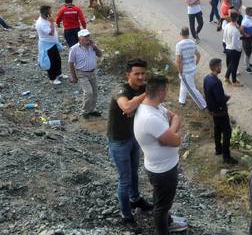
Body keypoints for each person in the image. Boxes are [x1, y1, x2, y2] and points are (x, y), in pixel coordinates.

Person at [134, 75, 188, 234]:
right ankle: (164, 228)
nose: (167, 92)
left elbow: (175, 117)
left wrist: (171, 129)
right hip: (163, 171)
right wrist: (173, 129)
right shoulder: (150, 117)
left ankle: (168, 220)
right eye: (166, 89)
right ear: (161, 91)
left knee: (161, 200)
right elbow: (176, 140)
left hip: (160, 167)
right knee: (162, 206)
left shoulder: (154, 107)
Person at [107, 59, 153, 232]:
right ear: (128, 75)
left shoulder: (142, 88)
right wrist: (144, 96)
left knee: (134, 172)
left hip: (134, 137)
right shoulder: (121, 90)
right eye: (137, 74)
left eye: (143, 73)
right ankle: (126, 215)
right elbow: (126, 107)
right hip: (118, 141)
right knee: (124, 179)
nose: (141, 77)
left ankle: (135, 199)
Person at [203, 58, 238, 164]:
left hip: (212, 110)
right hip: (220, 111)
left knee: (217, 129)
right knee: (227, 132)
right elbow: (219, 99)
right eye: (220, 66)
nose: (221, 68)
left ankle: (218, 149)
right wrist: (226, 98)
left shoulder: (206, 78)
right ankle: (226, 156)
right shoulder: (216, 82)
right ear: (215, 67)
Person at [68, 29, 102, 119]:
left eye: (88, 36)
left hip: (92, 72)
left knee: (95, 92)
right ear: (80, 38)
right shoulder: (74, 49)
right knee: (88, 92)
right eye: (85, 36)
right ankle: (85, 111)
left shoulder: (92, 46)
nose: (87, 38)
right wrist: (73, 76)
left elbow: (100, 54)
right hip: (82, 73)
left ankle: (92, 110)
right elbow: (71, 63)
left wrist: (95, 47)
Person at [175, 27, 207, 109]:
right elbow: (198, 55)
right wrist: (195, 64)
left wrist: (180, 72)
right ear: (188, 34)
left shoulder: (179, 45)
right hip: (192, 69)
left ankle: (203, 105)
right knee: (184, 84)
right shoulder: (193, 43)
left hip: (185, 71)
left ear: (181, 34)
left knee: (192, 89)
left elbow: (178, 61)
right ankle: (181, 101)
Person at [36, 5, 63, 85]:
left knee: (57, 59)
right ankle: (52, 78)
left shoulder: (46, 19)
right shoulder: (41, 23)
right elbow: (51, 33)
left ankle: (59, 74)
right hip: (47, 44)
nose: (51, 13)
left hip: (52, 43)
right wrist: (51, 22)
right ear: (46, 13)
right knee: (50, 62)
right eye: (50, 12)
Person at [223, 10, 243, 86]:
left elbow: (224, 38)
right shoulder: (235, 31)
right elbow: (235, 44)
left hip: (227, 47)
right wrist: (239, 49)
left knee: (231, 64)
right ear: (237, 18)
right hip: (234, 50)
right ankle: (234, 81)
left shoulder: (227, 26)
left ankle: (226, 77)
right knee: (234, 65)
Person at [241, 7, 252, 73]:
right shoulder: (245, 20)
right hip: (247, 39)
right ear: (249, 12)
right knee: (247, 52)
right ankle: (247, 67)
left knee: (249, 51)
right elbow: (241, 29)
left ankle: (248, 63)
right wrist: (245, 35)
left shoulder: (248, 18)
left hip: (250, 38)